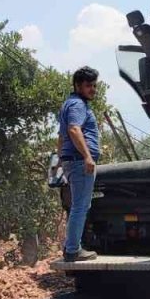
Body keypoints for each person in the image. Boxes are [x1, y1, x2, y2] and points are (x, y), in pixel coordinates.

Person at [57, 67, 101, 262]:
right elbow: (74, 130)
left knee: (79, 205)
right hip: (79, 161)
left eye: (94, 85)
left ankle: (71, 246)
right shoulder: (77, 105)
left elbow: (61, 136)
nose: (93, 89)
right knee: (80, 206)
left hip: (71, 160)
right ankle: (73, 249)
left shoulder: (69, 104)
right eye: (88, 86)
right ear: (77, 86)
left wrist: (60, 161)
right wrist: (87, 157)